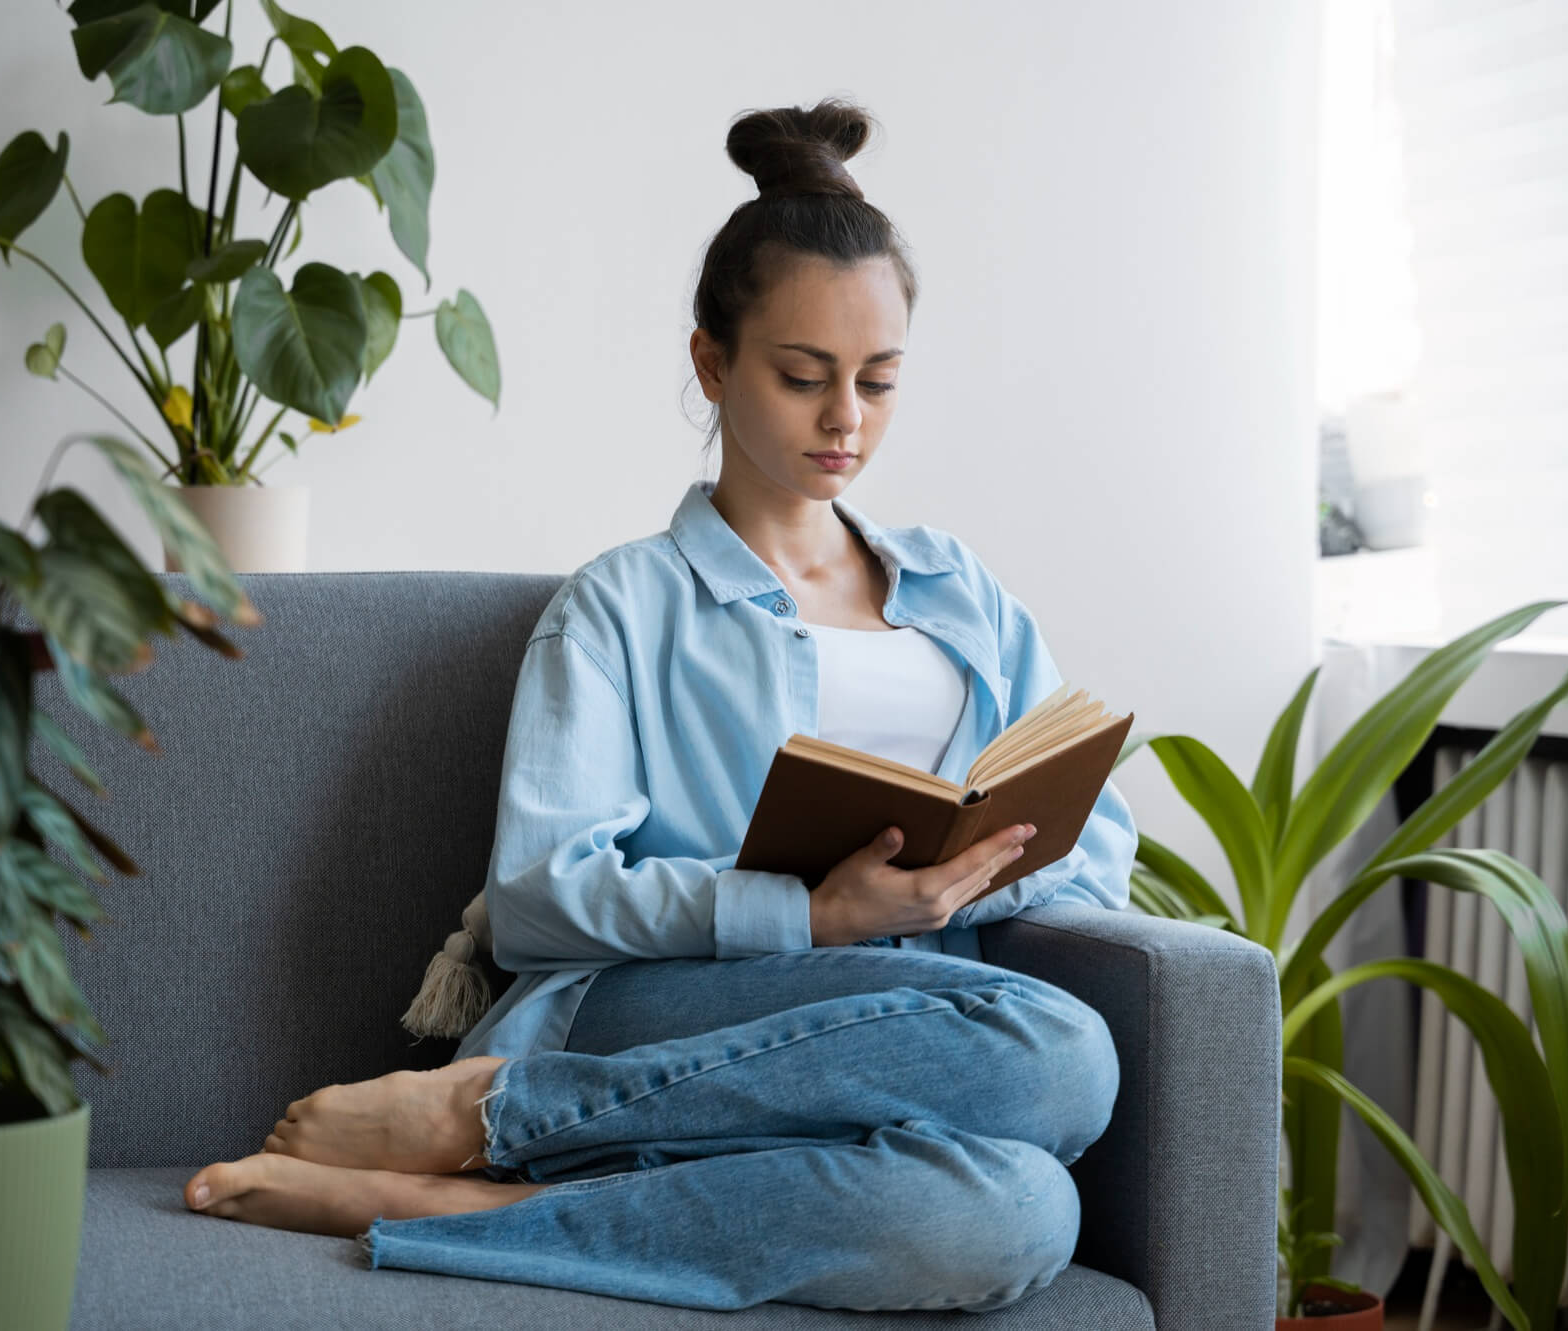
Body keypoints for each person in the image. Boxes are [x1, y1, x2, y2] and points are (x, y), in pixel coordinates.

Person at [182, 97, 1139, 1315]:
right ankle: (497, 1103)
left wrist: (969, 872)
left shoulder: (962, 595)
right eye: (803, 377)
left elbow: (1096, 834)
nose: (845, 418)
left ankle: (480, 1190)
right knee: (1056, 1050)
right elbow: (535, 898)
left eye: (878, 380)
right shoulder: (625, 603)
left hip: (910, 1016)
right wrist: (806, 909)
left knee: (1011, 1212)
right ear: (711, 362)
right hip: (660, 998)